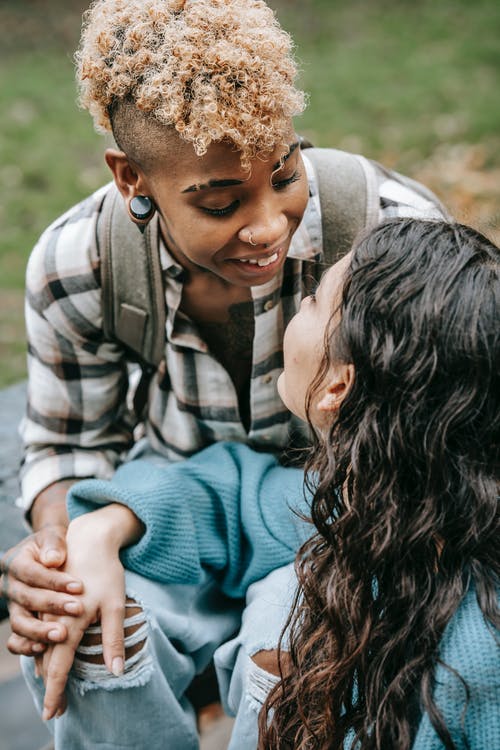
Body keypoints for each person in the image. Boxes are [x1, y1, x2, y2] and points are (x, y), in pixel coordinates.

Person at [0, 0, 446, 746]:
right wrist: (62, 554)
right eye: (220, 201)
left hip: (342, 523)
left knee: (297, 658)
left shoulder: (389, 240)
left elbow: (438, 464)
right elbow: (66, 444)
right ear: (131, 178)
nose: (270, 225)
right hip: (170, 513)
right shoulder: (78, 266)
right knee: (81, 629)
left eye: (284, 173)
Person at [27, 218, 499, 750]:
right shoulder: (380, 496)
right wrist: (98, 530)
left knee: (289, 628)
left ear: (337, 387)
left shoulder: (481, 651)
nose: (298, 305)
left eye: (315, 300)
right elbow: (236, 497)